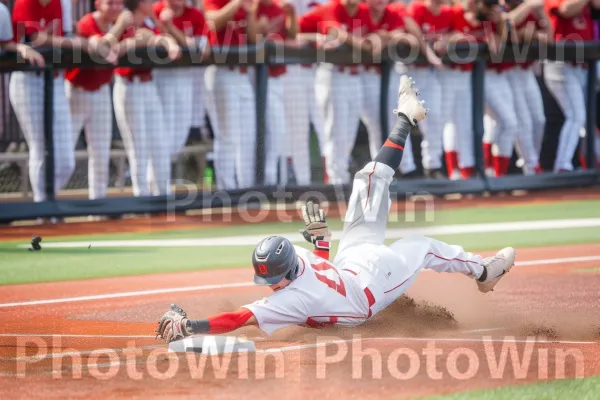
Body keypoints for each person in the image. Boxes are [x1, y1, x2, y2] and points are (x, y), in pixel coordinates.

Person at [155, 75, 516, 342]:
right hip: (359, 279)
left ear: (287, 269)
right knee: (396, 214)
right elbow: (250, 310)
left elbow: (242, 316)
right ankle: (483, 271)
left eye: (270, 278)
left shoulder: (294, 290)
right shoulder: (295, 277)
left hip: (368, 275)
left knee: (394, 210)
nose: (268, 285)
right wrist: (322, 241)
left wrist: (189, 327)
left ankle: (405, 120)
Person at [10, 0, 116, 204]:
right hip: (28, 80)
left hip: (55, 79)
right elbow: (37, 38)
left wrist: (88, 42)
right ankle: (43, 207)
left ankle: (45, 200)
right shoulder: (25, 2)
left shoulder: (60, 4)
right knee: (40, 147)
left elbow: (64, 36)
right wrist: (83, 43)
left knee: (66, 160)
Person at [112, 0, 181, 197]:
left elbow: (160, 38)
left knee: (160, 143)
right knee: (138, 147)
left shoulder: (150, 22)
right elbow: (111, 50)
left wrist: (167, 42)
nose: (152, 3)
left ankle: (162, 195)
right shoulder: (123, 21)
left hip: (148, 85)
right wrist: (133, 42)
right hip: (128, 85)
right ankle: (140, 198)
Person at [64, 0, 132, 201]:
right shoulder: (87, 22)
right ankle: (46, 205)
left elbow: (137, 40)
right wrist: (120, 27)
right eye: (110, 3)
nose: (116, 8)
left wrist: (123, 42)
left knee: (101, 151)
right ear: (98, 4)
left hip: (101, 92)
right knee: (64, 152)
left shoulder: (119, 24)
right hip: (76, 92)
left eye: (119, 4)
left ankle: (98, 202)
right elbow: (101, 49)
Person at [202, 0, 259, 190]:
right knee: (227, 135)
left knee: (247, 136)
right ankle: (227, 190)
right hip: (222, 72)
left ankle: (247, 188)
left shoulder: (245, 5)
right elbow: (213, 22)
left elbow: (255, 38)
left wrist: (250, 12)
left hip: (242, 75)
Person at [543, 0, 598, 172]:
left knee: (587, 118)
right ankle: (562, 165)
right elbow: (565, 10)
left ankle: (590, 162)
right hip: (561, 63)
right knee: (576, 116)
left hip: (582, 64)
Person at [152, 0, 210, 159]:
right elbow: (151, 40)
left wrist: (170, 27)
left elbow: (200, 49)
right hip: (159, 76)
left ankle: (165, 175)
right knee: (160, 133)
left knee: (180, 133)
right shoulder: (155, 10)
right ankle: (157, 178)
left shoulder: (195, 14)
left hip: (185, 76)